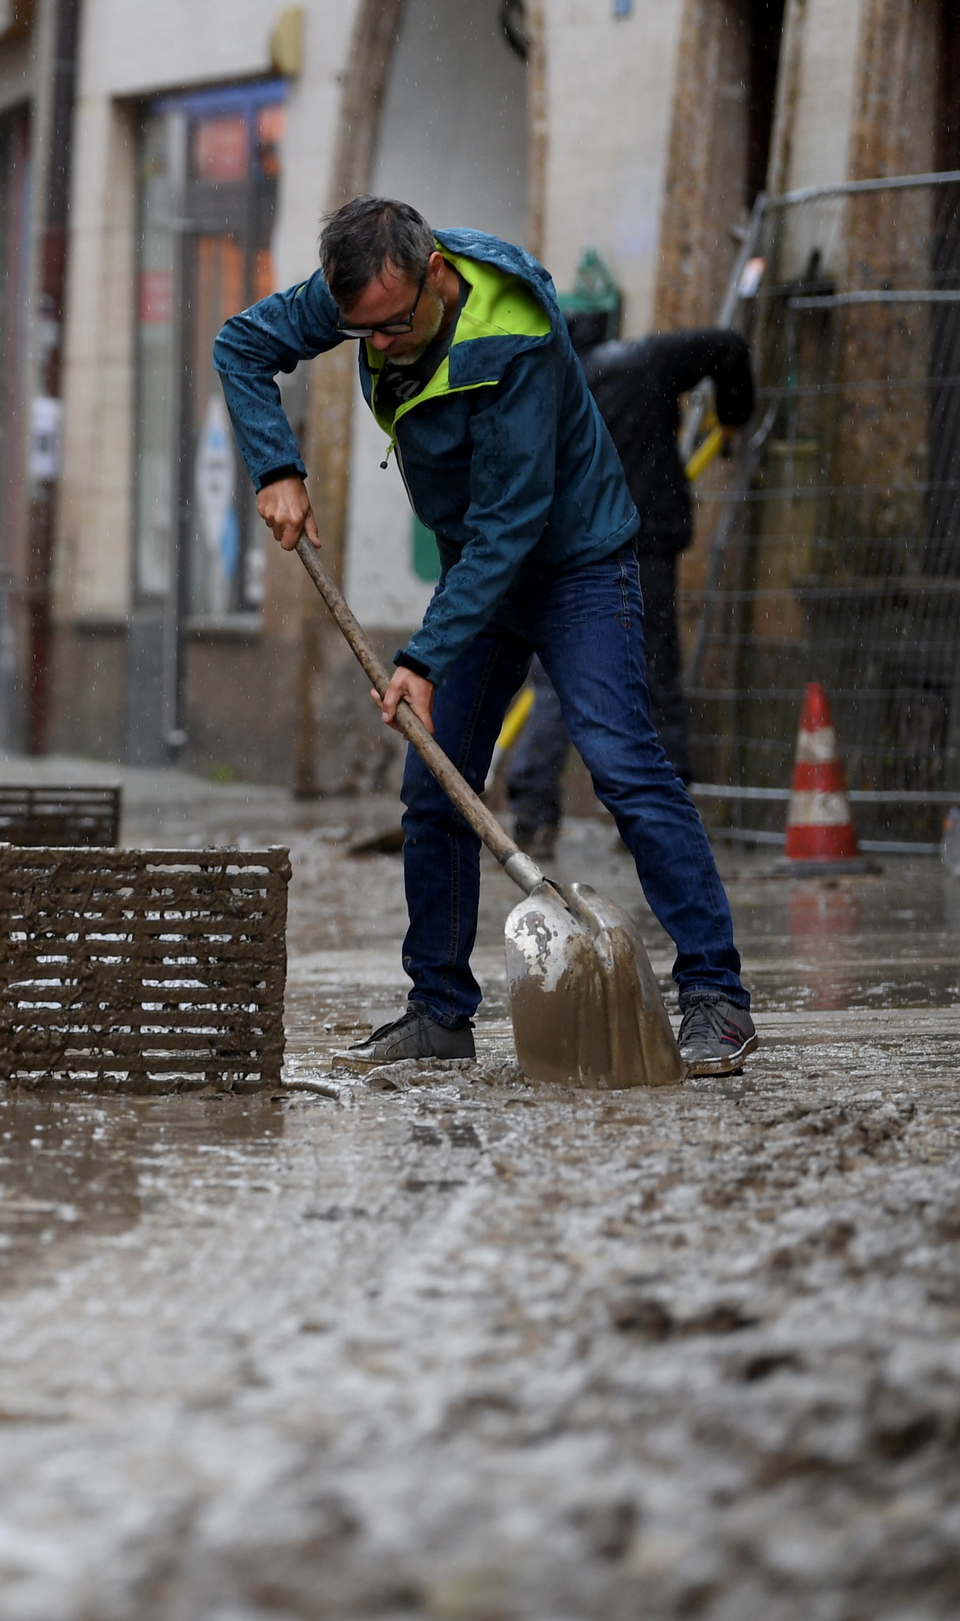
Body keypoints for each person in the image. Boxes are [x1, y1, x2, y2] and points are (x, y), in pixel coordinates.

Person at [217, 197, 756, 1077]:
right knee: (435, 787)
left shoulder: (516, 340)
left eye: (393, 328)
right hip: (481, 564)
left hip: (575, 561)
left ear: (434, 274)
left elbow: (513, 523)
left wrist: (424, 657)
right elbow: (240, 346)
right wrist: (276, 465)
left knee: (623, 761)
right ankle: (438, 1013)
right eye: (362, 336)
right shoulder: (363, 295)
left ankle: (716, 995)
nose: (381, 348)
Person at [503, 322, 756, 854]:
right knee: (650, 673)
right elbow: (729, 347)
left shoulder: (547, 388)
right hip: (639, 547)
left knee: (554, 683)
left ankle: (533, 813)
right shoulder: (644, 359)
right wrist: (733, 418)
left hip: (566, 552)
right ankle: (658, 814)